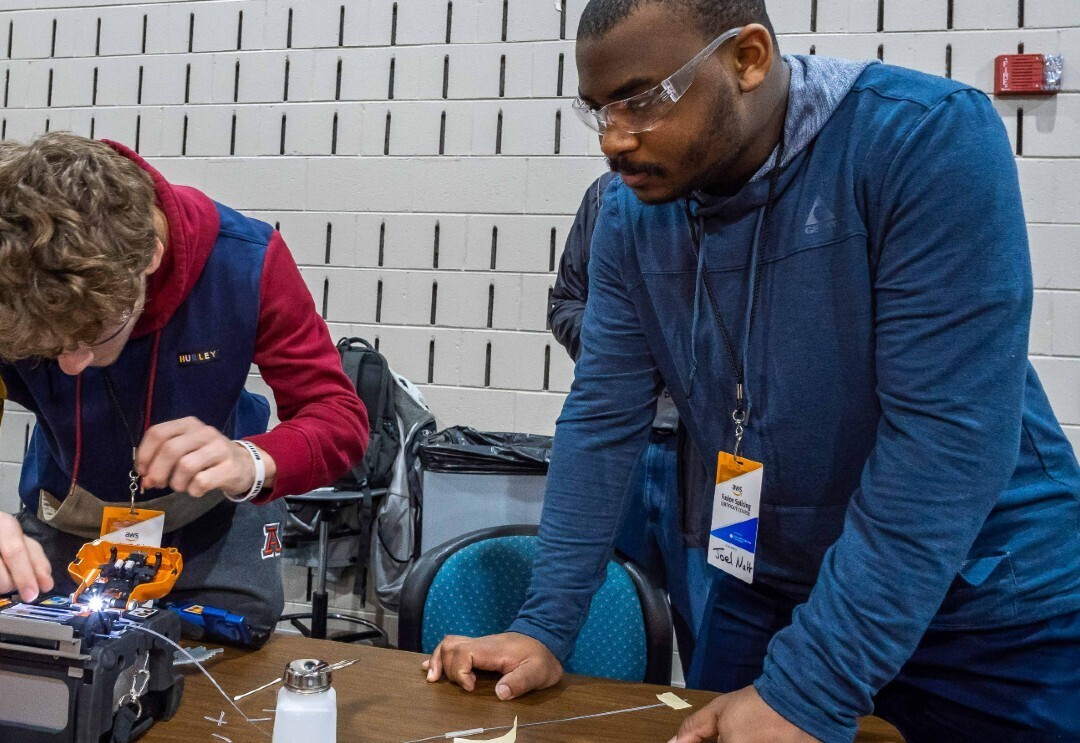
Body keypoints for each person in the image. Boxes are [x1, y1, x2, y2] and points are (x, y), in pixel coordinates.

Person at [424, 1, 1080, 741]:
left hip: (988, 606)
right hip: (771, 588)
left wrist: (812, 685)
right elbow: (603, 420)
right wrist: (543, 625)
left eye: (642, 100)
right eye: (599, 110)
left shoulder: (923, 139)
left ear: (748, 59)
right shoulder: (629, 214)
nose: (613, 138)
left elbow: (945, 445)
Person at [0, 132, 369, 639]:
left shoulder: (243, 262)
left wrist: (252, 462)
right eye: (44, 350)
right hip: (68, 526)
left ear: (150, 256)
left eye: (92, 336)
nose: (71, 367)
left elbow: (337, 416)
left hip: (215, 530)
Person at [549, 172, 710, 668]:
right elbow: (564, 303)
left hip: (719, 463)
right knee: (616, 625)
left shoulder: (743, 203)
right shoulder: (607, 197)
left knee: (715, 621)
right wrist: (629, 349)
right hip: (630, 451)